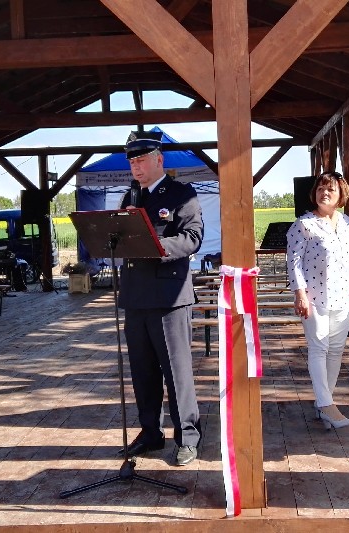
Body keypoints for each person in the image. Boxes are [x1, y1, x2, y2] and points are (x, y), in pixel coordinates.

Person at [117, 131, 204, 466]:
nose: (136, 167)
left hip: (169, 296)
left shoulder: (181, 193)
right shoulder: (130, 196)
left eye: (141, 160)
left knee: (176, 372)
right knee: (143, 372)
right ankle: (151, 432)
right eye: (132, 162)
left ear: (159, 160)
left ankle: (188, 437)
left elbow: (192, 237)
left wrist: (155, 246)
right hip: (136, 296)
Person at [286, 171, 349, 429]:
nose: (325, 193)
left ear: (341, 194)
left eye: (331, 189)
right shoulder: (304, 225)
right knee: (319, 348)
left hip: (341, 297)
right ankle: (325, 404)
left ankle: (325, 401)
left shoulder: (347, 223)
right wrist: (300, 293)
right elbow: (293, 262)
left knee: (336, 350)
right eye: (321, 189)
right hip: (314, 298)